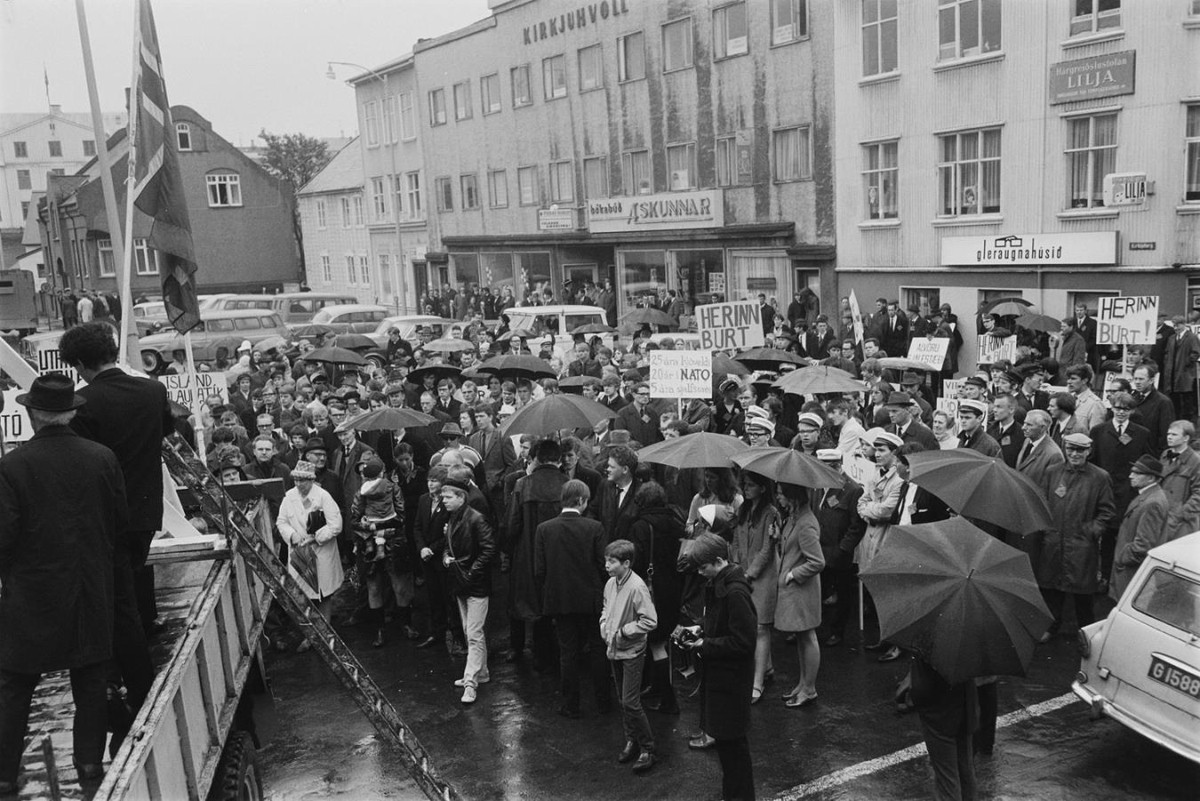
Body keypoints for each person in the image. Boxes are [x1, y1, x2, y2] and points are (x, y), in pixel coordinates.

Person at [0, 375, 127, 792]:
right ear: (71, 412)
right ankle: (89, 764)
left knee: (16, 685)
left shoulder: (12, 466)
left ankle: (3, 774)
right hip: (90, 587)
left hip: (32, 596)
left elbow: (4, 536)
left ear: (33, 414)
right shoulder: (102, 457)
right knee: (90, 679)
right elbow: (118, 524)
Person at [59, 322, 169, 747]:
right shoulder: (152, 392)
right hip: (144, 515)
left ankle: (138, 690)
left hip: (104, 519)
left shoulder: (83, 404)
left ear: (83, 364)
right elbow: (165, 433)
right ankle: (127, 679)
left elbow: (80, 467)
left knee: (116, 606)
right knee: (128, 599)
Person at [677, 533, 757, 801]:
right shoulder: (721, 584)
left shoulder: (734, 592)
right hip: (722, 679)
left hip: (731, 681)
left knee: (733, 748)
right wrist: (700, 628)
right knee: (727, 746)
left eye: (703, 567)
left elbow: (743, 642)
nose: (700, 573)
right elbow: (721, 624)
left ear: (720, 560)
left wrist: (703, 644)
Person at [534, 480, 610, 719]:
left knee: (568, 653)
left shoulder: (544, 529)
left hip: (560, 599)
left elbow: (539, 570)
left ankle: (570, 705)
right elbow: (603, 565)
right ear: (581, 501)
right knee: (598, 650)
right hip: (591, 599)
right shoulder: (595, 527)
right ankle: (604, 702)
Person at [1033, 433, 1115, 642]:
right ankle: (1051, 627)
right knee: (1051, 591)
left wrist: (1091, 531)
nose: (1075, 454)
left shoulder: (1100, 477)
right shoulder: (1052, 472)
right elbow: (1042, 504)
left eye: (1080, 450)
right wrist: (1047, 531)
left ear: (1088, 451)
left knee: (1083, 596)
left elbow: (1107, 512)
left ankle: (1086, 632)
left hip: (1081, 546)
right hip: (1054, 543)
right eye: (1071, 449)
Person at [626, 481, 687, 716]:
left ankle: (668, 699)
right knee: (660, 641)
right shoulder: (675, 522)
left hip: (650, 592)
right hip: (672, 589)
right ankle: (659, 690)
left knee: (655, 644)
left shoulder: (640, 527)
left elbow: (636, 562)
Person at [599, 539, 658, 773]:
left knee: (630, 701)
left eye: (611, 562)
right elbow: (606, 607)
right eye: (606, 560)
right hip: (615, 648)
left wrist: (624, 632)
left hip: (631, 650)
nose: (607, 565)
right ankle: (632, 739)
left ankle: (648, 748)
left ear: (626, 563)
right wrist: (604, 625)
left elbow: (650, 621)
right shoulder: (611, 583)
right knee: (624, 700)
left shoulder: (637, 587)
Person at [441, 475, 495, 705]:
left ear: (460, 497)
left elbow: (489, 549)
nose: (443, 500)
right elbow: (448, 545)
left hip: (474, 584)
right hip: (462, 582)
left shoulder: (476, 519)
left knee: (473, 633)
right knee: (470, 630)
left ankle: (470, 681)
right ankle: (481, 672)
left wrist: (471, 571)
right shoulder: (454, 517)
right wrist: (446, 558)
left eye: (447, 496)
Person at [277, 460, 344, 643]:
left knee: (324, 594)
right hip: (300, 552)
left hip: (322, 552)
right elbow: (281, 522)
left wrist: (316, 537)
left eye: (303, 481)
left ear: (312, 480)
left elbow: (336, 525)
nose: (299, 484)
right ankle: (311, 635)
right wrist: (293, 536)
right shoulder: (289, 497)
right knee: (305, 595)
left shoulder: (323, 496)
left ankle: (324, 632)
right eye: (296, 480)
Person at [730, 471, 780, 703]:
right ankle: (767, 667)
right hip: (744, 572)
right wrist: (738, 566)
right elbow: (737, 541)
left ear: (762, 487)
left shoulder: (771, 513)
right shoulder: (744, 510)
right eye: (744, 485)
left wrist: (750, 573)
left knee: (761, 627)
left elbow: (768, 549)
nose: (746, 488)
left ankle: (757, 681)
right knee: (753, 625)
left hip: (763, 576)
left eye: (751, 485)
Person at [774, 483, 824, 707]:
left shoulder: (805, 523)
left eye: (781, 494)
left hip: (802, 590)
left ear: (792, 496)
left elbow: (817, 561)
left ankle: (810, 688)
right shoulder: (795, 517)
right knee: (802, 638)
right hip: (795, 590)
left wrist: (793, 574)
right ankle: (803, 684)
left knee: (808, 636)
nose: (778, 498)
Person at [812, 449, 866, 648]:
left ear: (837, 466)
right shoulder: (818, 486)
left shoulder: (852, 489)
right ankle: (816, 629)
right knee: (819, 591)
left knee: (842, 594)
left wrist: (843, 549)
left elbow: (857, 525)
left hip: (839, 553)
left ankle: (837, 632)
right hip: (818, 549)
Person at [910, 655, 979, 801]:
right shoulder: (969, 637)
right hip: (965, 706)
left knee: (947, 781)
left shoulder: (929, 637)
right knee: (965, 772)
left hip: (940, 714)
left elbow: (921, 690)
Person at [1109, 456, 1170, 601]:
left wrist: (1122, 558)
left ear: (1150, 478)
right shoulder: (1149, 496)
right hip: (1128, 570)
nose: (1131, 476)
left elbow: (1143, 545)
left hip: (1131, 573)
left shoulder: (1152, 503)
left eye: (1137, 473)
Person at [1159, 420, 1200, 540]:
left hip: (1181, 522)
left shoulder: (1195, 461)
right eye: (1168, 434)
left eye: (1174, 435)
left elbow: (1198, 494)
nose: (1169, 437)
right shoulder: (1165, 455)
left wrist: (1182, 513)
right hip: (1162, 513)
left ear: (1186, 438)